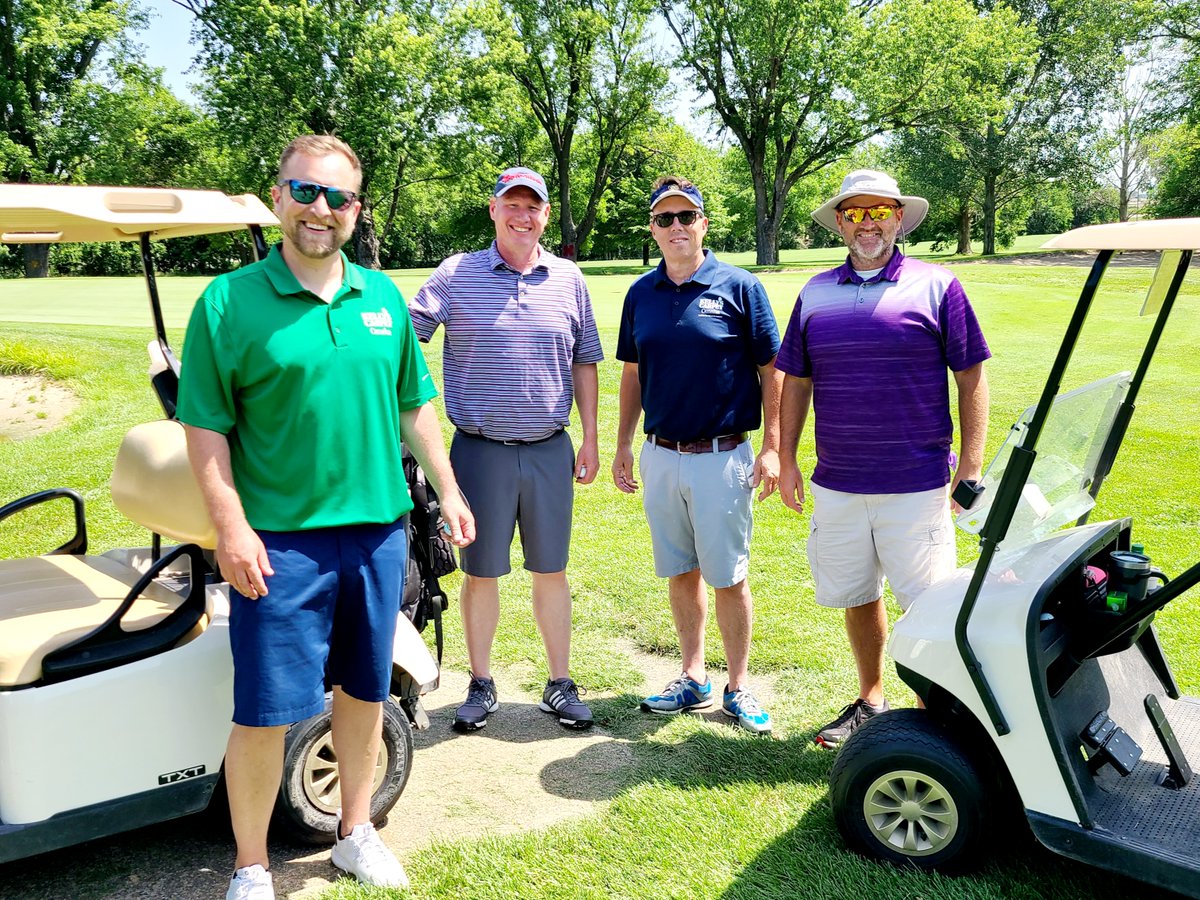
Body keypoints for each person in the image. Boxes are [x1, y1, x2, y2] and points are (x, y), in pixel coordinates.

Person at [177, 134, 475, 900]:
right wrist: (230, 527)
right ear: (278, 196)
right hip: (279, 545)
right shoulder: (228, 302)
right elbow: (205, 429)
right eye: (305, 192)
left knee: (365, 693)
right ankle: (250, 865)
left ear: (356, 209)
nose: (321, 209)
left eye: (338, 197)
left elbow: (415, 407)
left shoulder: (380, 298)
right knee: (266, 711)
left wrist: (448, 487)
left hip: (377, 534)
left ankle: (354, 831)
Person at [775, 169, 990, 749]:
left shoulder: (938, 286)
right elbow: (796, 380)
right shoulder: (815, 292)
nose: (866, 224)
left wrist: (970, 464)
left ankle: (931, 719)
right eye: (854, 213)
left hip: (916, 483)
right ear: (840, 222)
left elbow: (970, 373)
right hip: (839, 482)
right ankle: (870, 697)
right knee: (857, 593)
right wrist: (787, 457)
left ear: (898, 219)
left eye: (878, 212)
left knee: (927, 605)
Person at [409, 167, 603, 732]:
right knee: (481, 571)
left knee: (552, 569)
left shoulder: (567, 277)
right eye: (511, 205)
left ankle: (560, 683)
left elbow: (585, 358)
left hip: (548, 448)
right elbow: (405, 337)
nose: (523, 216)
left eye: (533, 207)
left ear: (545, 214)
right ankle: (481, 682)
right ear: (493, 210)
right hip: (478, 451)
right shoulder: (456, 272)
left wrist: (589, 435)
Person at [612, 175, 782, 735]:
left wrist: (776, 445)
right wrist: (622, 444)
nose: (677, 227)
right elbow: (633, 373)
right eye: (665, 219)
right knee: (680, 571)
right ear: (653, 230)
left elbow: (771, 368)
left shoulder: (739, 286)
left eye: (687, 217)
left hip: (723, 455)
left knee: (728, 576)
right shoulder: (641, 294)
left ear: (704, 224)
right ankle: (691, 676)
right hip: (660, 455)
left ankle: (737, 685)